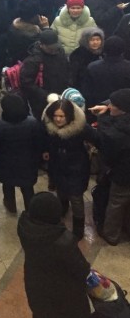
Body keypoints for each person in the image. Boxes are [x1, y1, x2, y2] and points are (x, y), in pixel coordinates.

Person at [17, 192, 91, 318]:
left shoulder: (25, 228)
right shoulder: (63, 241)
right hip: (64, 298)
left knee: (41, 315)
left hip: (36, 288)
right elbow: (83, 269)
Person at [42, 97, 97, 239]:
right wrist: (46, 151)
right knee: (61, 192)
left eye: (62, 116)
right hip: (57, 166)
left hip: (76, 168)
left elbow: (98, 140)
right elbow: (46, 141)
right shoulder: (49, 126)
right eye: (55, 115)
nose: (58, 119)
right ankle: (62, 210)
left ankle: (78, 230)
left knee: (76, 198)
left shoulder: (81, 128)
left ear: (69, 115)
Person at [0, 94, 44, 213]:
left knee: (8, 186)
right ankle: (30, 211)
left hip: (6, 165)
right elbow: (39, 143)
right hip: (28, 163)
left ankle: (10, 205)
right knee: (28, 189)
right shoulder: (32, 122)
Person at [91, 88, 130, 246]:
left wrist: (102, 116)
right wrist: (107, 110)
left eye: (113, 105)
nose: (109, 106)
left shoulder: (119, 132)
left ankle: (111, 235)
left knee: (116, 203)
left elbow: (106, 143)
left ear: (123, 110)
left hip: (123, 174)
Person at [20, 29, 70, 119]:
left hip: (60, 93)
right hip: (41, 99)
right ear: (41, 45)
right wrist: (45, 95)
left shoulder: (60, 51)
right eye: (50, 49)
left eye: (55, 47)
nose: (53, 51)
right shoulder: (33, 60)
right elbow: (26, 82)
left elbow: (67, 69)